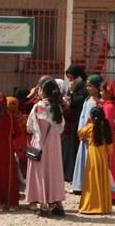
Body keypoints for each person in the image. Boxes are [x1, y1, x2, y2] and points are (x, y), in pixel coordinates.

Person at [26, 78, 66, 217]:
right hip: (54, 145)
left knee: (41, 172)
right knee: (54, 172)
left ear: (43, 91)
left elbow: (30, 127)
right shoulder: (58, 107)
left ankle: (43, 204)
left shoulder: (38, 107)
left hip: (40, 143)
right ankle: (58, 204)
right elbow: (61, 127)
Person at [77, 105, 114, 215]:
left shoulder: (90, 127)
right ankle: (103, 206)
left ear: (92, 117)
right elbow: (110, 148)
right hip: (102, 156)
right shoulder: (106, 126)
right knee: (102, 180)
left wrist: (88, 122)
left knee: (92, 181)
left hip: (93, 156)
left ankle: (92, 205)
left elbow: (80, 133)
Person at [0, 93, 20, 209]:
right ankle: (11, 203)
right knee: (9, 175)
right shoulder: (11, 118)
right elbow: (18, 133)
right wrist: (9, 137)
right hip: (8, 149)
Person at [70, 74, 102, 194]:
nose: (88, 88)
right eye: (87, 86)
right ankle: (79, 185)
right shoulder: (88, 99)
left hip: (91, 136)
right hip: (83, 134)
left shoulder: (98, 102)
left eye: (90, 86)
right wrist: (81, 131)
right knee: (82, 159)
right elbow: (82, 116)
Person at [60, 65, 87, 182]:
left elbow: (79, 101)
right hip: (72, 120)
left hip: (78, 120)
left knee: (73, 147)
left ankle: (72, 174)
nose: (70, 80)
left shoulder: (84, 87)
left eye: (72, 78)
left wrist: (72, 92)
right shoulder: (76, 87)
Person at [100, 79, 115, 201]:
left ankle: (110, 194)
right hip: (109, 139)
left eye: (102, 91)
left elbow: (107, 125)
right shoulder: (108, 105)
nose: (100, 93)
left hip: (107, 139)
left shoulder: (109, 107)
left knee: (108, 165)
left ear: (108, 92)